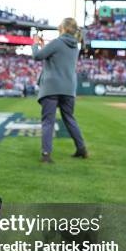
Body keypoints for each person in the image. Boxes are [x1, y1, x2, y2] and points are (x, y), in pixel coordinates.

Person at [32, 18, 87, 163]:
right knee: (69, 119)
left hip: (51, 87)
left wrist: (35, 43)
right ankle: (82, 148)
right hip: (68, 88)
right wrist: (44, 46)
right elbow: (56, 57)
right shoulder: (75, 45)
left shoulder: (58, 42)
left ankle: (46, 154)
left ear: (62, 28)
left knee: (48, 121)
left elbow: (37, 56)